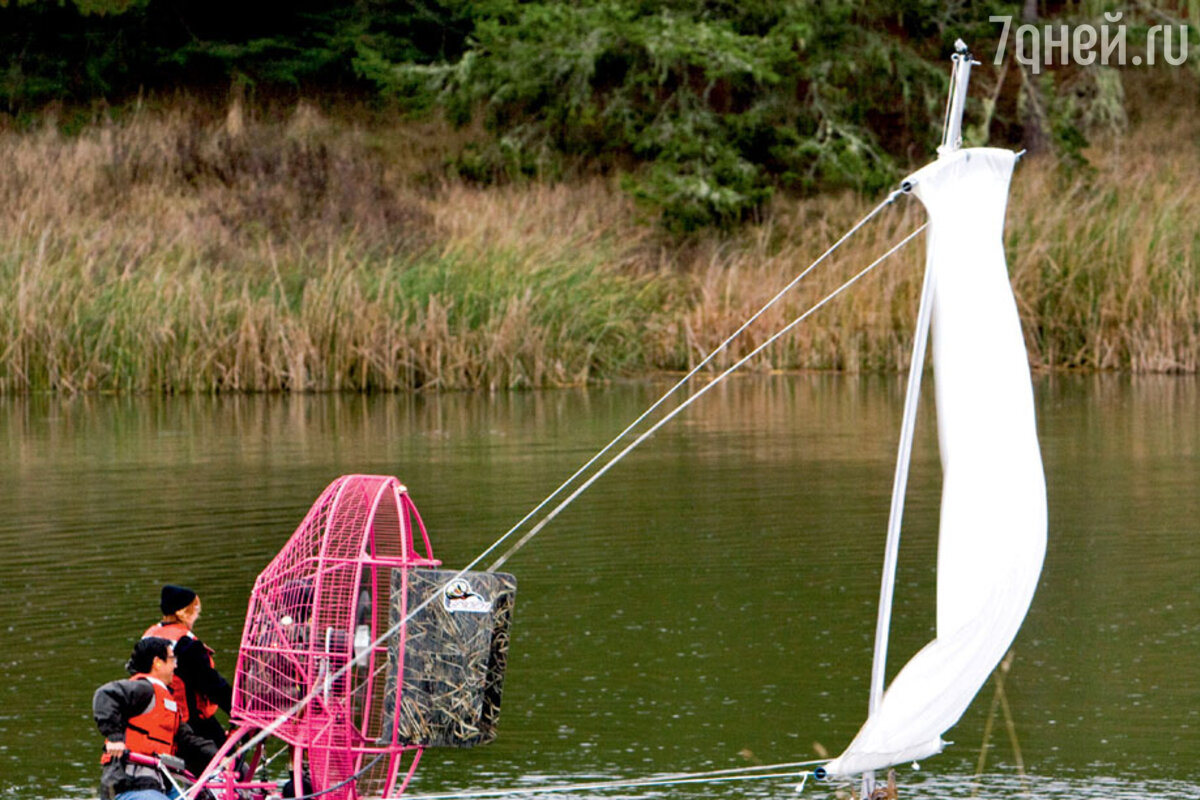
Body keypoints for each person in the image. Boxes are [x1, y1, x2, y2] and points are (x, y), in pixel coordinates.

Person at [93, 637, 218, 800]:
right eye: (173, 659)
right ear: (157, 662)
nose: (176, 665)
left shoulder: (167, 703)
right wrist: (115, 738)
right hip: (129, 784)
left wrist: (224, 757)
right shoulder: (143, 689)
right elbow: (104, 695)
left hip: (158, 785)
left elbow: (188, 741)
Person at [142, 585, 233, 776]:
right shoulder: (186, 645)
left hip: (156, 720)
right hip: (191, 722)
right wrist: (238, 710)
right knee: (232, 763)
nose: (197, 615)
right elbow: (212, 685)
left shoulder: (149, 637)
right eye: (195, 610)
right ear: (183, 612)